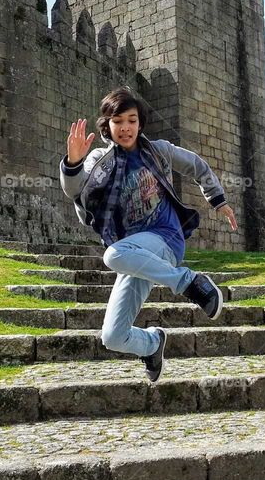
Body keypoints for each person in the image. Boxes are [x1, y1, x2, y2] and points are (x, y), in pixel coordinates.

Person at [59, 86, 238, 382]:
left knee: (113, 255)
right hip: (135, 255)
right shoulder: (99, 161)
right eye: (118, 122)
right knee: (112, 337)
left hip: (165, 238)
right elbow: (75, 191)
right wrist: (74, 163)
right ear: (108, 126)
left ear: (140, 123)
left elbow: (197, 166)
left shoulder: (159, 151)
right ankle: (153, 344)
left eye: (132, 120)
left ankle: (191, 284)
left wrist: (218, 199)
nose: (126, 128)